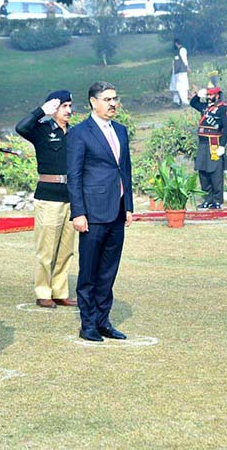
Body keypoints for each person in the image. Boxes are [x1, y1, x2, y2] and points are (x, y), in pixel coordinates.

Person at [67, 81, 134, 342]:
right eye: (107, 99)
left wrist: (128, 205)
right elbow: (74, 175)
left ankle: (104, 320)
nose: (113, 103)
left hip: (116, 210)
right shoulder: (80, 133)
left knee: (108, 270)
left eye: (115, 98)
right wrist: (78, 212)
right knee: (89, 271)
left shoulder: (121, 130)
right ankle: (88, 324)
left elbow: (124, 170)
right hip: (92, 212)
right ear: (93, 102)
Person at [15, 90, 78, 309]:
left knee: (66, 249)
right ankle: (43, 291)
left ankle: (60, 291)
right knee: (47, 249)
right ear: (53, 108)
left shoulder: (75, 133)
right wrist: (41, 111)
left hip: (72, 197)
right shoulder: (42, 130)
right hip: (49, 197)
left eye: (70, 105)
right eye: (63, 106)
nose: (68, 110)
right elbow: (21, 127)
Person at [190, 83, 227, 209]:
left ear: (217, 95)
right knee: (203, 173)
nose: (209, 97)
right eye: (207, 94)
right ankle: (207, 199)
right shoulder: (204, 107)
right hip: (202, 145)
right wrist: (198, 95)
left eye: (211, 95)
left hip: (214, 144)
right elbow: (193, 103)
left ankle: (217, 200)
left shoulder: (223, 109)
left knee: (215, 174)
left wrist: (222, 146)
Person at [169, 38, 189, 106]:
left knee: (182, 86)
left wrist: (187, 67)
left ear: (176, 43)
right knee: (175, 87)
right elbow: (174, 61)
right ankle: (176, 101)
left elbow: (184, 59)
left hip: (181, 71)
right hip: (176, 71)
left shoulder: (182, 49)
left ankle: (184, 102)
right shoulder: (176, 51)